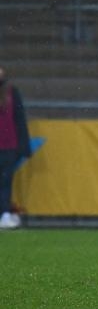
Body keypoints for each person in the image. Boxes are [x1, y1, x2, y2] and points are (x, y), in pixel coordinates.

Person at [0, 67, 31, 229]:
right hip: (8, 146)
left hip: (8, 146)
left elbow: (19, 119)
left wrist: (23, 145)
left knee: (5, 182)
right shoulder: (11, 92)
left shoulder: (12, 93)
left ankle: (4, 214)